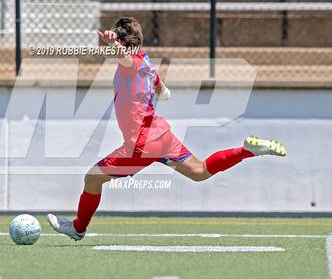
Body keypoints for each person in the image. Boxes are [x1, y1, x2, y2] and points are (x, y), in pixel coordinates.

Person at [47, 17, 286, 240]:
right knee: (200, 171)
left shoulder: (130, 62)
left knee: (92, 178)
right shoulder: (148, 63)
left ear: (122, 41)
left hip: (141, 144)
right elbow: (163, 90)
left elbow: (124, 57)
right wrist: (156, 90)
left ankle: (78, 229)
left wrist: (112, 45)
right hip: (161, 135)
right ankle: (246, 151)